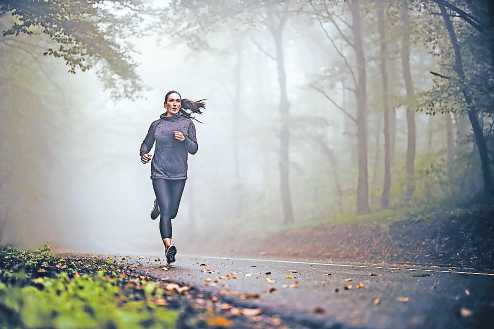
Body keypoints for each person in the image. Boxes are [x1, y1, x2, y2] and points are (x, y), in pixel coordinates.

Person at [140, 90, 201, 264]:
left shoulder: (187, 124)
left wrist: (184, 139)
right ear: (165, 104)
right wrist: (144, 154)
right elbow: (146, 143)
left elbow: (194, 149)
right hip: (159, 172)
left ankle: (158, 203)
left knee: (172, 212)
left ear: (180, 104)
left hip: (179, 174)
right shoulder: (156, 125)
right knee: (166, 212)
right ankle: (168, 248)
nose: (175, 104)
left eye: (178, 101)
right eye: (171, 101)